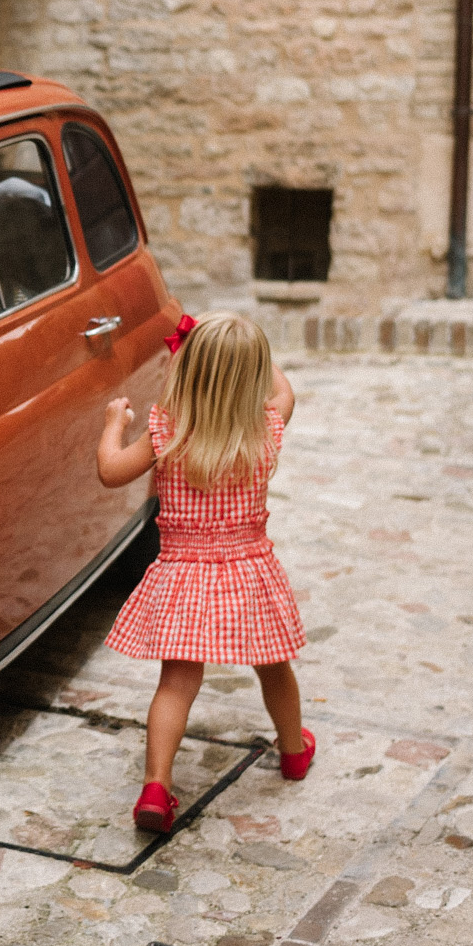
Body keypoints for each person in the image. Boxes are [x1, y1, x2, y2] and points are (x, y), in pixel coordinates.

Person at [96, 311, 313, 834]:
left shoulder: (165, 431)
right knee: (274, 666)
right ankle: (292, 750)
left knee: (176, 684)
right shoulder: (267, 426)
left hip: (182, 575)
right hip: (248, 573)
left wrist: (113, 425)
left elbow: (109, 471)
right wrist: (256, 359)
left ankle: (156, 785)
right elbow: (286, 391)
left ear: (187, 369)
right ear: (254, 377)